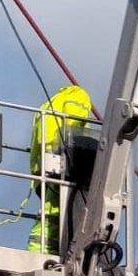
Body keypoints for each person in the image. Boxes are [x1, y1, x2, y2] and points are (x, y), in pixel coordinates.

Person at [29, 85, 92, 254]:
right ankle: (44, 250)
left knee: (50, 213)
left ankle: (41, 249)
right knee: (57, 214)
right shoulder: (78, 97)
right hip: (61, 164)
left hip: (43, 167)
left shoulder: (49, 104)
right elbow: (75, 127)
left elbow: (42, 137)